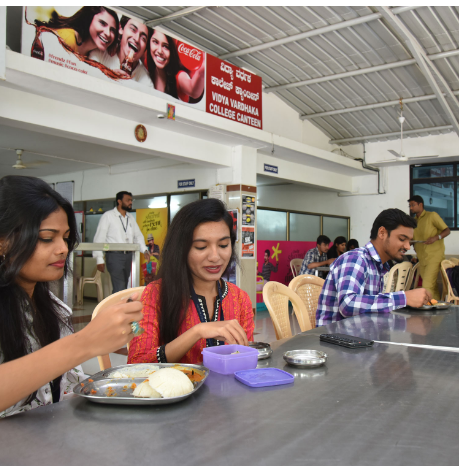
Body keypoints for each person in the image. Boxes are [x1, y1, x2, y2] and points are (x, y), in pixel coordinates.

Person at [0, 176, 143, 417]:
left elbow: (66, 385)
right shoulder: (109, 217)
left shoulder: (55, 309)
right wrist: (87, 342)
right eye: (47, 237)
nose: (64, 249)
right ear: (3, 242)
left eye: (66, 237)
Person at [128, 199, 254, 365]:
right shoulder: (156, 294)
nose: (215, 257)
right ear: (181, 249)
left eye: (223, 245)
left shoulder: (239, 298)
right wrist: (197, 332)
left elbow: (246, 357)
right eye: (201, 247)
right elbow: (137, 364)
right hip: (176, 390)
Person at [316, 209, 432, 326]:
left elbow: (370, 310)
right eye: (402, 239)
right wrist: (404, 298)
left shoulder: (378, 265)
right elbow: (348, 305)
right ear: (382, 233)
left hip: (359, 336)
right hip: (335, 339)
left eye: (410, 241)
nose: (408, 247)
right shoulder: (356, 258)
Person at [93, 191, 149, 293]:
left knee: (123, 285)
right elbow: (99, 238)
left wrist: (144, 250)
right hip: (114, 256)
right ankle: (118, 308)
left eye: (131, 200)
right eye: (128, 200)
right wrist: (99, 259)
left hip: (128, 256)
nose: (130, 202)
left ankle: (117, 307)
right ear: (119, 201)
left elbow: (138, 236)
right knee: (120, 286)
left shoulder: (130, 218)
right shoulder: (108, 216)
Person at [408, 195, 451, 300]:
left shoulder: (432, 216)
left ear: (420, 204)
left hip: (434, 257)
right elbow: (414, 238)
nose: (411, 208)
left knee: (426, 285)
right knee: (432, 287)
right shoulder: (414, 221)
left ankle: (426, 309)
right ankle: (435, 312)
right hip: (422, 258)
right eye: (410, 206)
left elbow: (447, 230)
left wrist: (436, 237)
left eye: (413, 205)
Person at [35, 6, 119, 57]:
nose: (108, 33)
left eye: (113, 30)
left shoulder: (93, 53)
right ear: (89, 19)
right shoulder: (68, 39)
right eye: (102, 23)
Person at [147, 29, 205, 102]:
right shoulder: (146, 66)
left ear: (172, 50)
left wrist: (202, 70)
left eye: (166, 46)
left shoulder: (178, 77)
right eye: (155, 42)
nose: (159, 51)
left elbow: (193, 90)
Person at [89, 15, 150, 84]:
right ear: (121, 28)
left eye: (143, 38)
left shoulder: (146, 81)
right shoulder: (99, 54)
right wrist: (108, 78)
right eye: (133, 29)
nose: (136, 39)